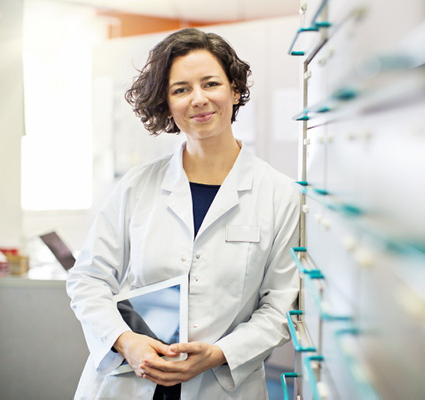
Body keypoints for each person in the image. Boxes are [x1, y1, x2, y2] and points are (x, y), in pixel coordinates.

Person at [66, 27, 300, 399]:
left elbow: (279, 307)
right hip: (129, 380)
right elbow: (88, 279)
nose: (199, 99)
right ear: (167, 103)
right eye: (181, 89)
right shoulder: (137, 186)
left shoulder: (280, 195)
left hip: (220, 384)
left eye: (211, 84)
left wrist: (218, 354)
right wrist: (126, 341)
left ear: (235, 90)